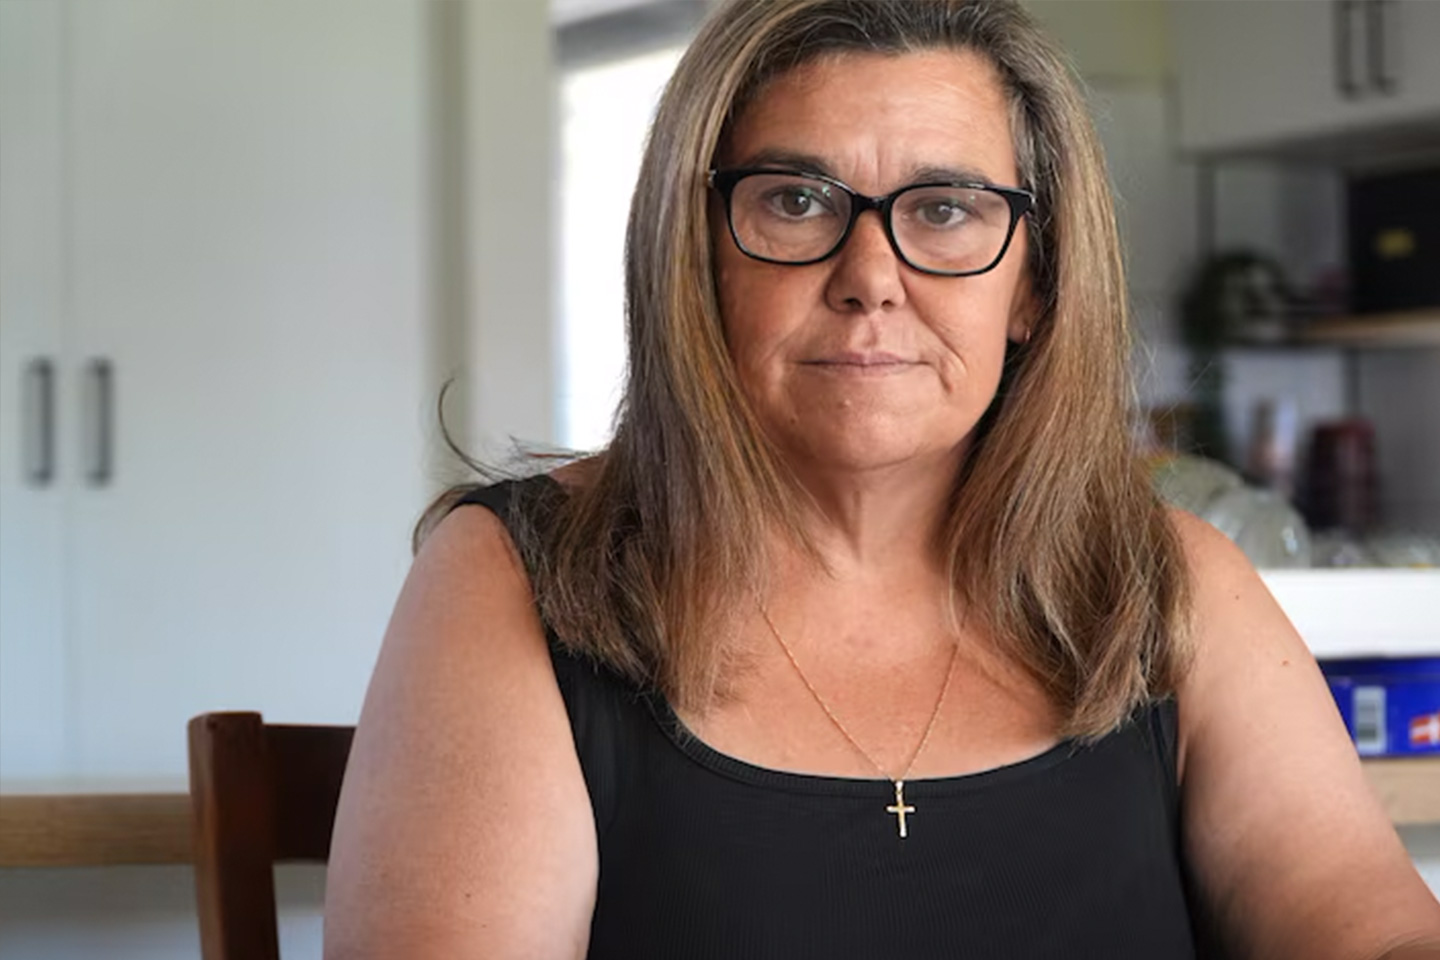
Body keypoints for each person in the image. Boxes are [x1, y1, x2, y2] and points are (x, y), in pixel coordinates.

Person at [324, 1, 1440, 957]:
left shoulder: (1176, 583)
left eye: (945, 210)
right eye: (795, 202)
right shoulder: (517, 578)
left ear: (1036, 286)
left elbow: (1372, 930)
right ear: (696, 259)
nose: (871, 279)